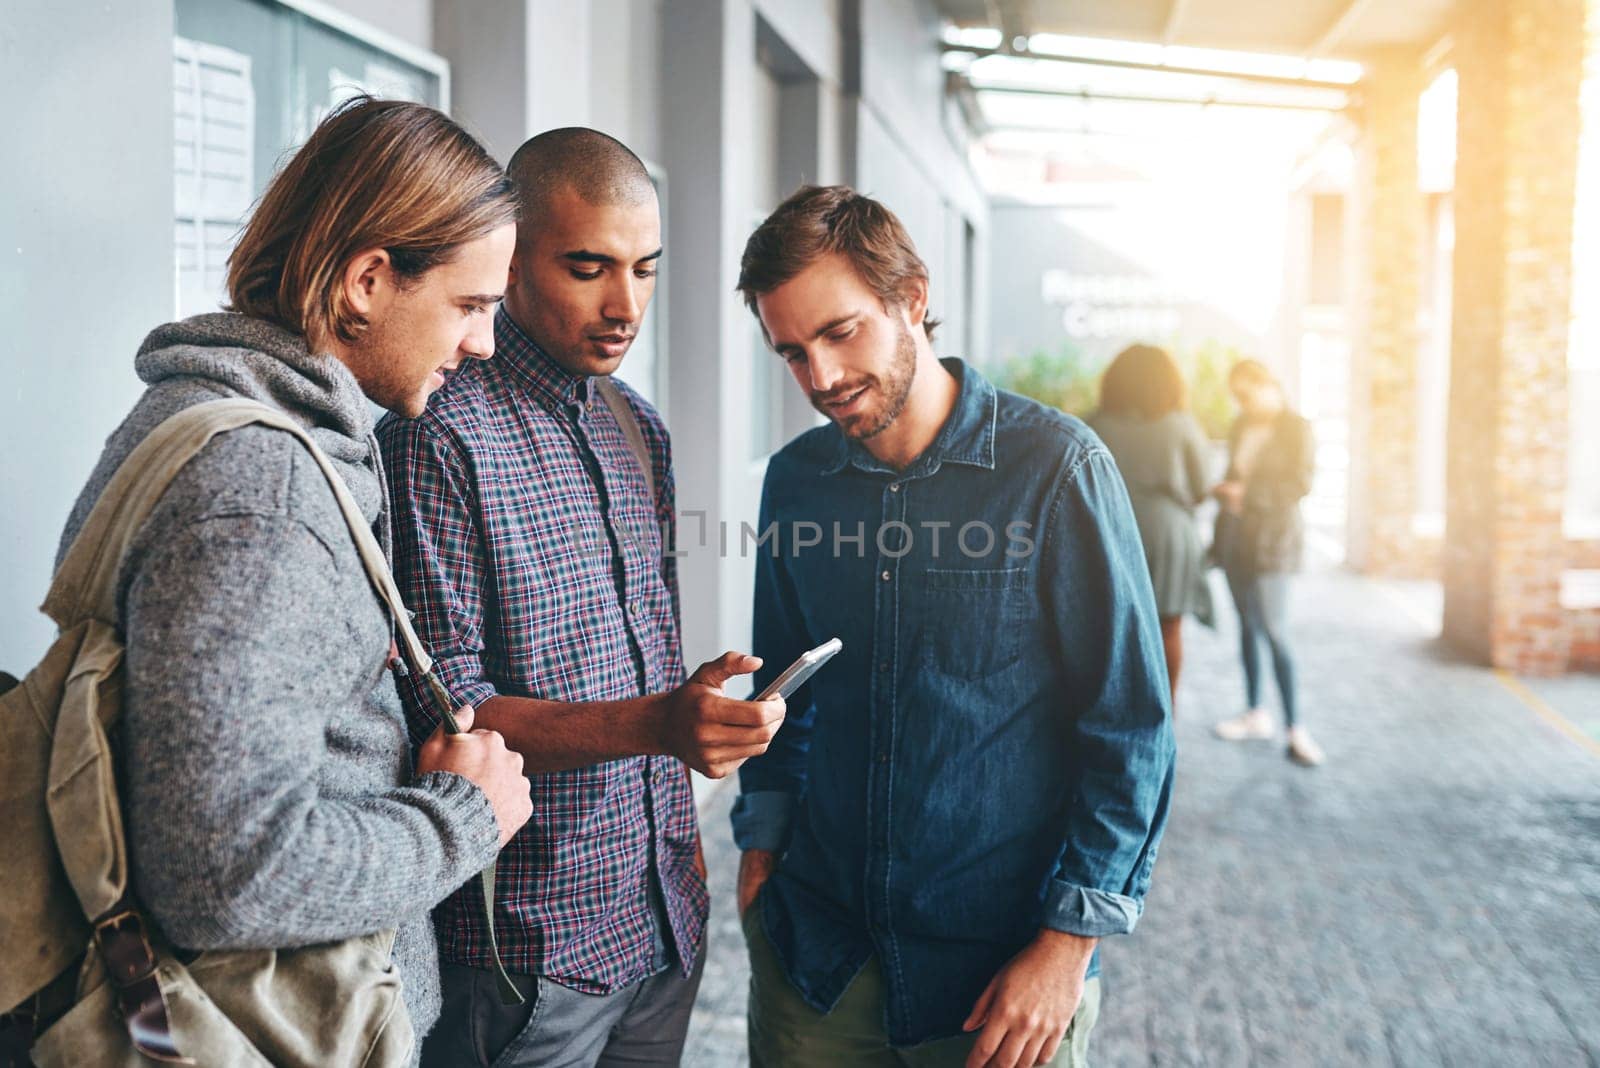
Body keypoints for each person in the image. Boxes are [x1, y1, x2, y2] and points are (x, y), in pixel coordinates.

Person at [49, 96, 534, 1061]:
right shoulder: (262, 489)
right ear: (366, 281)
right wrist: (462, 819)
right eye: (471, 305)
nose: (483, 342)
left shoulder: (222, 420)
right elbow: (223, 870)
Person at [730, 185, 1176, 1068]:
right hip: (818, 964)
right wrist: (762, 848)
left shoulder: (1056, 470)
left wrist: (1068, 945)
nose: (819, 378)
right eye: (791, 353)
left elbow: (1129, 725)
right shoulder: (797, 481)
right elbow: (784, 689)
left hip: (1001, 981)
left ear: (914, 298)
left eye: (840, 332)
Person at [378, 128, 785, 1068]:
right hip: (525, 951)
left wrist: (694, 703)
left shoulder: (637, 426)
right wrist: (658, 723)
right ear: (510, 260)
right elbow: (448, 716)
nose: (625, 304)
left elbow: (635, 657)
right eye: (589, 267)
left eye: (644, 269)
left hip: (663, 921)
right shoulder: (437, 434)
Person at [1089, 344, 1216, 713]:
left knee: (1108, 626)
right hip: (1167, 531)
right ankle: (1166, 713)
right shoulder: (1181, 424)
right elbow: (1201, 487)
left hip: (1108, 527)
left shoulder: (1094, 423)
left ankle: (1110, 711)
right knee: (1169, 627)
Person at [1210, 358, 1324, 766]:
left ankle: (1296, 727)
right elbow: (1234, 473)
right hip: (1237, 538)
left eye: (1246, 393)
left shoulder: (1296, 427)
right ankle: (1255, 713)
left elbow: (1302, 482)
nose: (1242, 401)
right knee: (1246, 626)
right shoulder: (1241, 425)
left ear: (1267, 384)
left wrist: (1249, 497)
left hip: (1273, 542)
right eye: (1236, 395)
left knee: (1276, 631)